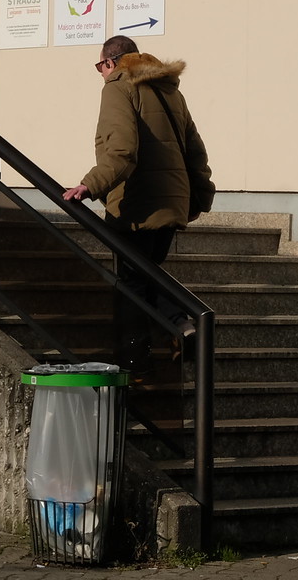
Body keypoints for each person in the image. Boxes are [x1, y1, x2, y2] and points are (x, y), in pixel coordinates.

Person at [62, 35, 215, 368]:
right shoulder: (169, 89)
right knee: (146, 275)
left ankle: (144, 357)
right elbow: (195, 152)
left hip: (136, 205)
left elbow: (122, 150)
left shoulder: (117, 87)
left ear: (111, 62)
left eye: (100, 66)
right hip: (172, 202)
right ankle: (175, 332)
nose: (100, 73)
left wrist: (89, 186)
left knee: (132, 281)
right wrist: (200, 195)